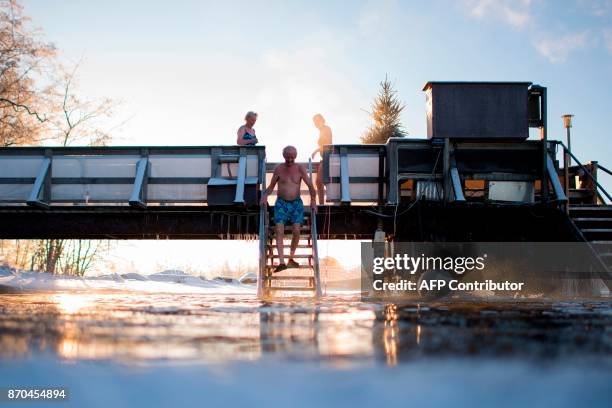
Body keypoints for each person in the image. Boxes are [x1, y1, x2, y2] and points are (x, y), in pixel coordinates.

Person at [260, 146, 317, 272]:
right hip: (281, 204)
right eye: (287, 157)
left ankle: (290, 259)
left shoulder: (300, 169)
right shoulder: (279, 169)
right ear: (283, 156)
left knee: (296, 230)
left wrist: (313, 201)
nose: (290, 159)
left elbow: (311, 186)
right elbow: (271, 186)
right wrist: (265, 195)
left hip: (296, 204)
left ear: (295, 156)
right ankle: (281, 263)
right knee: (279, 229)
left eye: (292, 157)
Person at [310, 114, 332, 204]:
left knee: (319, 181)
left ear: (322, 120)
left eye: (316, 121)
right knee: (318, 181)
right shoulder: (322, 130)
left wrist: (316, 150)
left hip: (328, 157)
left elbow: (328, 144)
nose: (315, 124)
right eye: (314, 122)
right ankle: (322, 203)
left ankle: (322, 204)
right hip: (325, 157)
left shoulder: (326, 129)